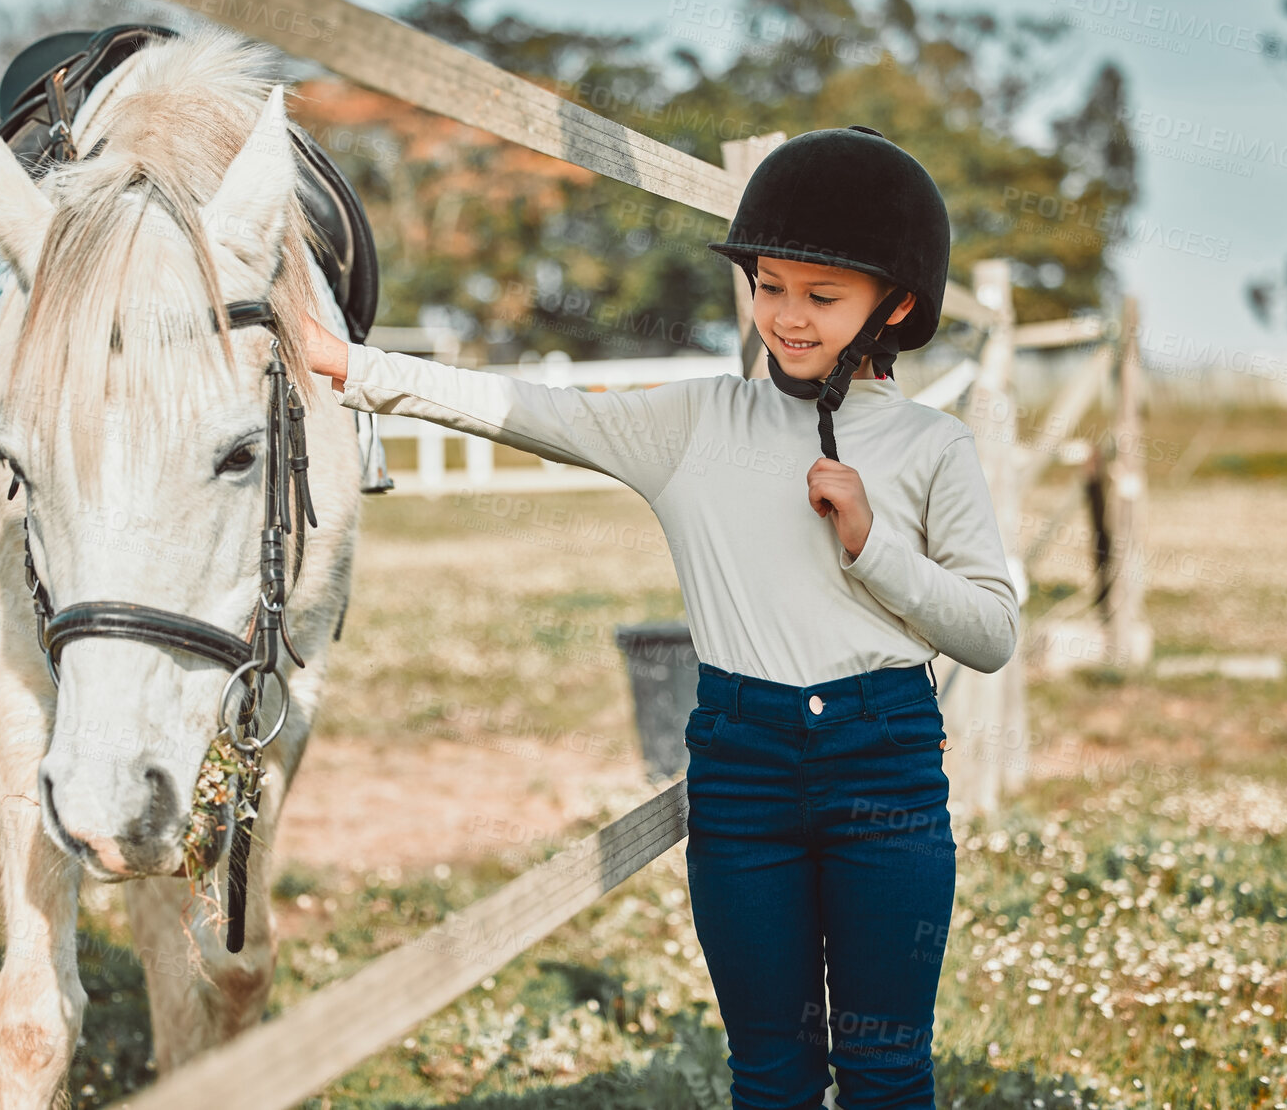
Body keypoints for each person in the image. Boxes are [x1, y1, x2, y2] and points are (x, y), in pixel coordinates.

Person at [298, 125, 1018, 1110]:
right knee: (768, 1072)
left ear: (892, 303)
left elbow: (987, 632)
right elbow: (513, 405)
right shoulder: (689, 424)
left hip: (883, 757)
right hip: (742, 761)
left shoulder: (935, 448)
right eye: (769, 285)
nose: (786, 317)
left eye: (821, 294)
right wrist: (347, 362)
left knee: (887, 1068)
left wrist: (870, 544)